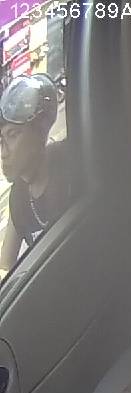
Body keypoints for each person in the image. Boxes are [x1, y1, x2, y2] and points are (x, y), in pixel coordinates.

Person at [0, 74, 69, 280]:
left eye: (12, 135)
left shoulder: (69, 163)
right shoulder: (19, 195)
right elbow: (5, 265)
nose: (4, 152)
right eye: (1, 140)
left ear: (39, 132)